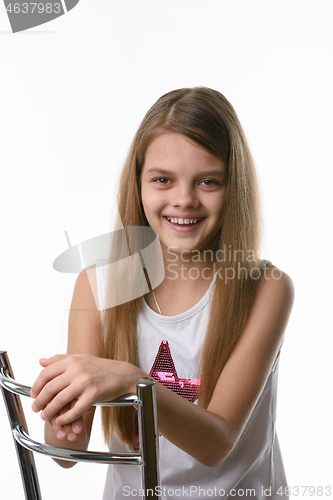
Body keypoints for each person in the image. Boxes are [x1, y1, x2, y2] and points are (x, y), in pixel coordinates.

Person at [31, 87, 294, 500]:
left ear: (234, 187)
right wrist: (64, 418)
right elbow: (66, 455)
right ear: (137, 184)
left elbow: (216, 443)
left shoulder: (265, 288)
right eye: (162, 180)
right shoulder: (98, 287)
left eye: (209, 181)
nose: (184, 200)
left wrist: (135, 381)